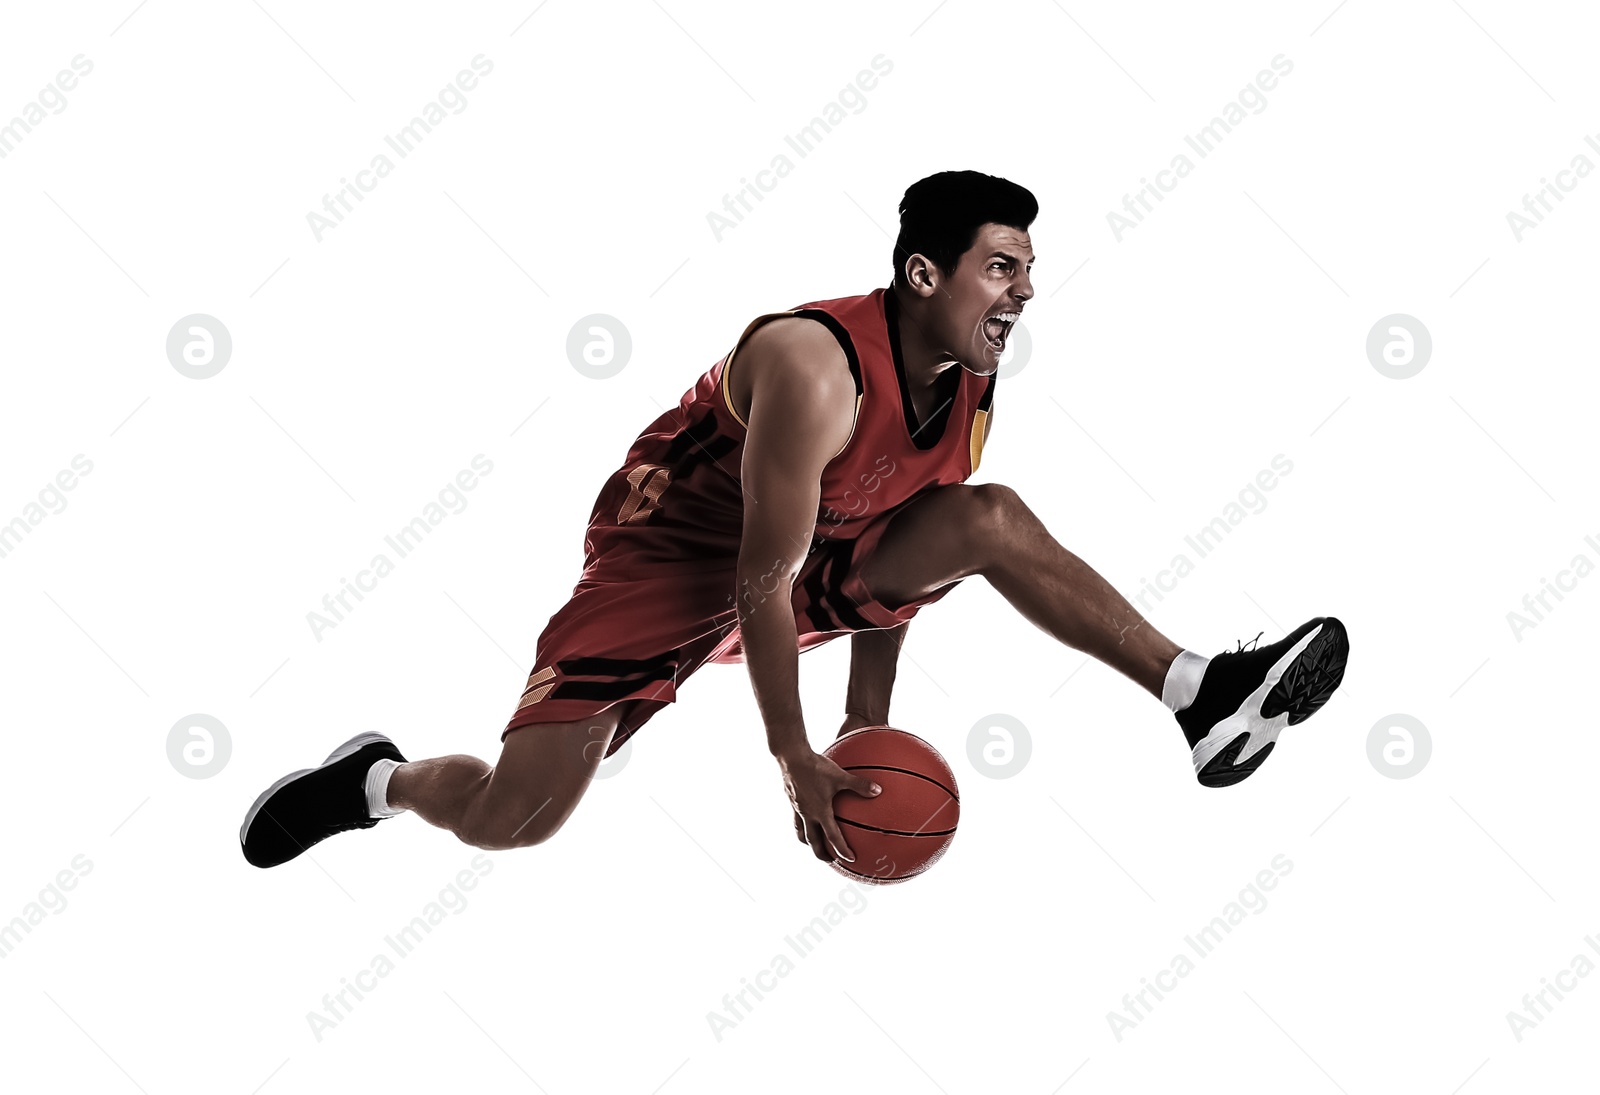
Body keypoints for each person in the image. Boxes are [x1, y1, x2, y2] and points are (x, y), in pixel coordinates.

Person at [240, 170, 1348, 872]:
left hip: (802, 560)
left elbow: (893, 584)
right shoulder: (814, 368)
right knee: (516, 819)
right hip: (671, 563)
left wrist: (862, 742)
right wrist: (792, 754)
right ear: (924, 273)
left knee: (988, 517)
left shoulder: (966, 389)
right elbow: (753, 588)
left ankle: (1196, 691)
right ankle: (374, 782)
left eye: (1028, 269)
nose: (1022, 290)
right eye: (1000, 267)